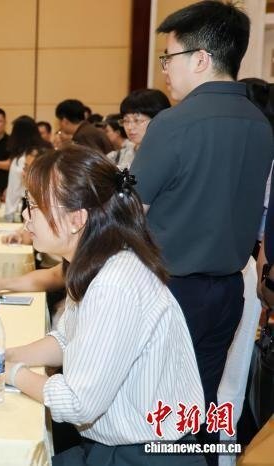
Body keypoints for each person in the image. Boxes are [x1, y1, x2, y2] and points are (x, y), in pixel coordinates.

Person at [0, 145, 206, 466]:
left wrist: (6, 372)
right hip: (121, 445)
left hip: (143, 455)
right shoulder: (96, 262)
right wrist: (5, 355)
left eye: (34, 206)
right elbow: (67, 339)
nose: (26, 216)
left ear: (76, 219)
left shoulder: (113, 283)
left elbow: (77, 402)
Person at [131, 2, 274, 461]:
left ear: (200, 59)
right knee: (202, 403)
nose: (165, 70)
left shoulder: (173, 124)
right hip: (229, 290)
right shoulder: (260, 124)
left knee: (157, 410)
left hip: (171, 292)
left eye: (168, 58)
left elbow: (130, 210)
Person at [4, 115, 51, 221]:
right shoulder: (47, 150)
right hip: (50, 203)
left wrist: (9, 215)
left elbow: (14, 189)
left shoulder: (21, 158)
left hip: (31, 204)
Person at [119, 89, 171, 153]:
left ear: (158, 120)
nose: (129, 127)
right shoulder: (118, 155)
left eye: (137, 120)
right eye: (126, 120)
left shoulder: (172, 154)